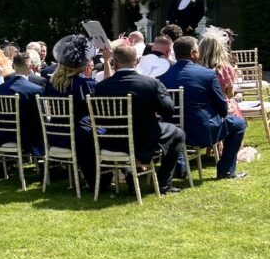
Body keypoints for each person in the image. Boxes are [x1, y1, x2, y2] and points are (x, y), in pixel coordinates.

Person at [93, 42, 185, 195]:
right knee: (178, 134)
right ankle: (164, 184)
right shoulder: (151, 83)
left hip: (111, 140)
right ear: (136, 62)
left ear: (114, 63)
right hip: (143, 139)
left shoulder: (102, 86)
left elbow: (97, 117)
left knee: (169, 131)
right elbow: (168, 111)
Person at [161, 36, 247, 179]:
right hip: (202, 131)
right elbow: (222, 107)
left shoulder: (163, 77)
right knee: (239, 124)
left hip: (173, 132)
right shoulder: (207, 74)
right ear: (194, 52)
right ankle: (225, 170)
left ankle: (180, 167)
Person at [44, 34, 105, 189]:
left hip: (56, 132)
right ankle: (101, 180)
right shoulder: (84, 84)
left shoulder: (51, 83)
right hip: (79, 134)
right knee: (105, 133)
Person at [0, 50, 44, 155]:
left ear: (13, 66)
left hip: (3, 136)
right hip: (27, 139)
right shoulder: (36, 89)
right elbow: (41, 117)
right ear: (30, 67)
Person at [198, 32, 243, 119]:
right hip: (222, 109)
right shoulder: (225, 69)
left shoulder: (196, 67)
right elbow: (229, 95)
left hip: (202, 109)